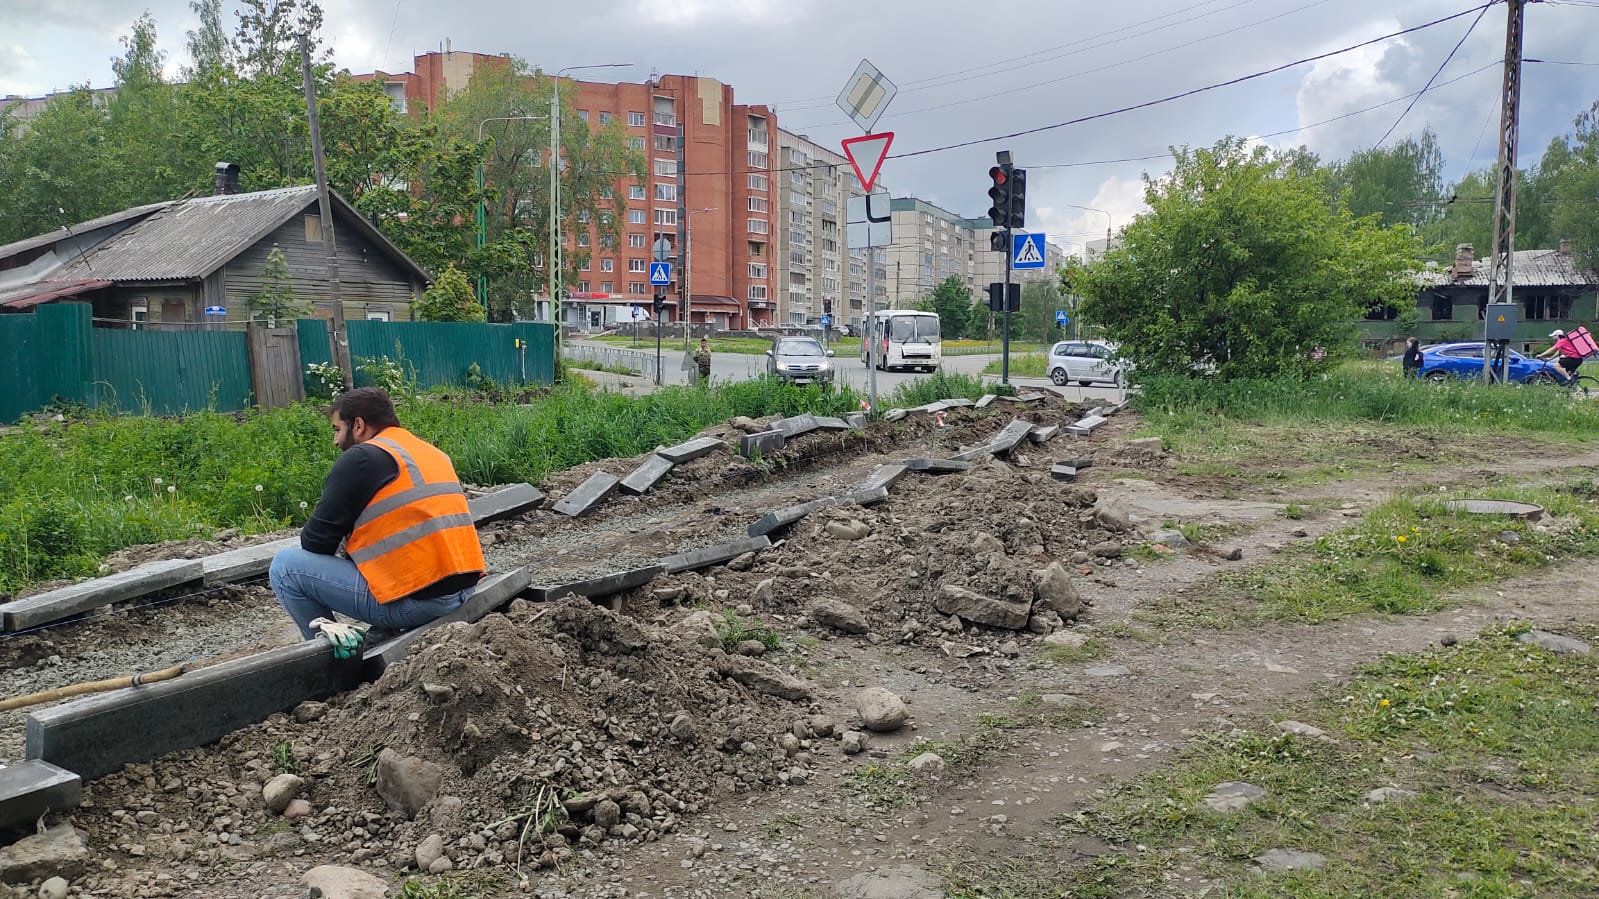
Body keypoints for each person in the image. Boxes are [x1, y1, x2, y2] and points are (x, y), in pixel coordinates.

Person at [269, 387, 486, 642]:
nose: (336, 441)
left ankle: (331, 660)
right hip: (464, 589)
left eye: (337, 429)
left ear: (358, 425)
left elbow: (315, 541)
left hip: (421, 603)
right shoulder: (428, 452)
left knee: (285, 567)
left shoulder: (362, 458)